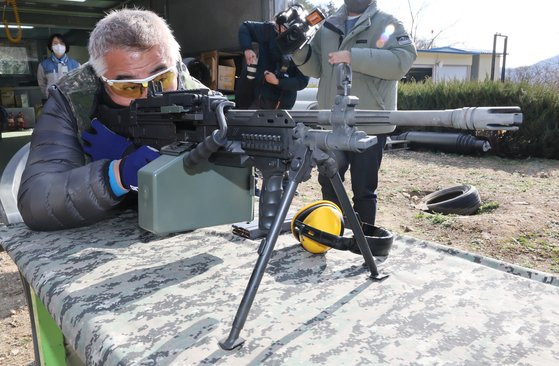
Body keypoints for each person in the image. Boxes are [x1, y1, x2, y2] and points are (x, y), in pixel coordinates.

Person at [18, 9, 206, 231]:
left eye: (162, 79)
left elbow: (228, 190)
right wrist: (114, 174)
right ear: (102, 80)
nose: (148, 96)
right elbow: (37, 202)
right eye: (128, 87)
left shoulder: (201, 98)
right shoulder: (73, 98)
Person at [291, 0, 417, 226]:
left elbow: (402, 61)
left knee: (364, 188)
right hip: (331, 122)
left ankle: (364, 242)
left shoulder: (387, 24)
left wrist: (353, 57)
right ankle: (330, 234)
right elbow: (316, 68)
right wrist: (297, 49)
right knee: (329, 183)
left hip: (368, 123)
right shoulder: (328, 26)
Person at [237, 7, 309, 109]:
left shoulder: (303, 47)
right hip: (259, 96)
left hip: (282, 103)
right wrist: (247, 48)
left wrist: (278, 82)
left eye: (286, 30)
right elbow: (245, 27)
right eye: (281, 27)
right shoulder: (269, 30)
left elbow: (302, 81)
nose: (280, 30)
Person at [37, 33, 81, 99]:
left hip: (71, 101)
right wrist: (49, 95)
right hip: (53, 101)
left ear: (66, 46)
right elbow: (42, 84)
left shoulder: (76, 64)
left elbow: (80, 82)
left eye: (62, 43)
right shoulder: (43, 65)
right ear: (51, 46)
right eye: (55, 43)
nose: (59, 46)